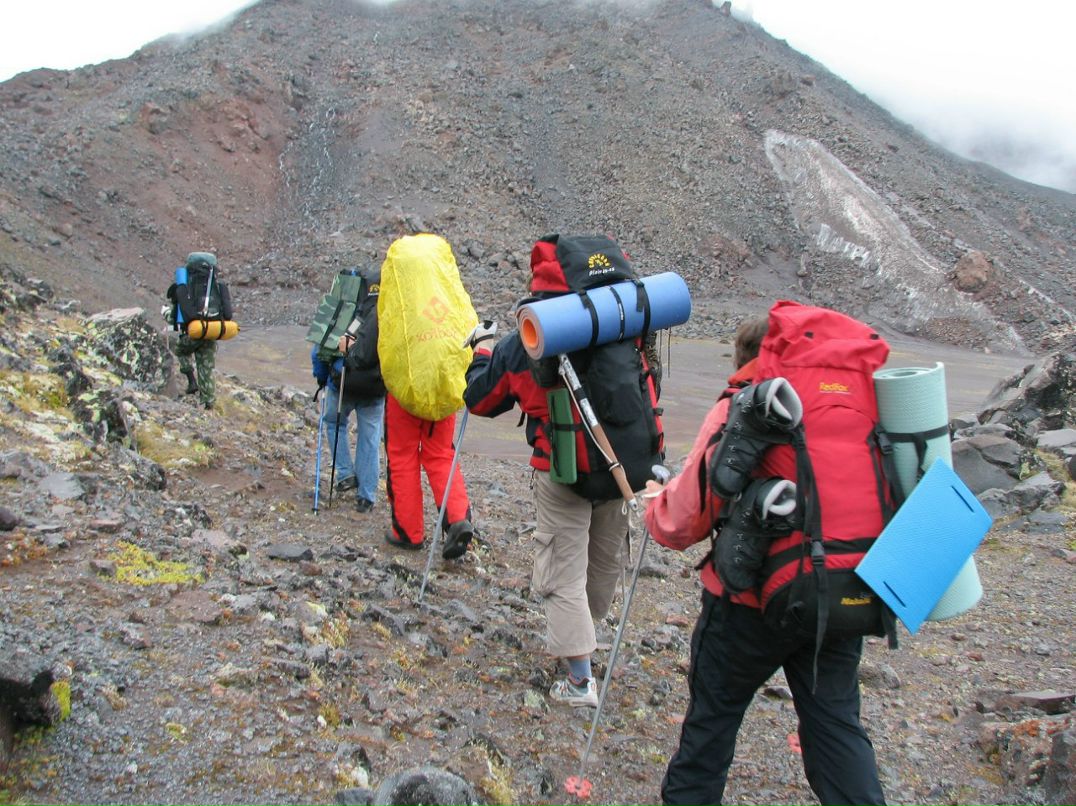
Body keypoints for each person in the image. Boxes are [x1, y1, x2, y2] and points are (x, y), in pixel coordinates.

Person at [642, 315, 888, 806]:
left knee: (712, 724)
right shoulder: (862, 408)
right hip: (843, 593)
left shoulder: (746, 405)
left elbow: (683, 520)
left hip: (747, 603)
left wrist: (656, 505)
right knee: (836, 724)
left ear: (745, 357)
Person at [462, 309, 637, 709]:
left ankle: (579, 679)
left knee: (563, 566)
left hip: (563, 469)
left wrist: (483, 350)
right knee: (604, 558)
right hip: (621, 463)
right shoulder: (620, 323)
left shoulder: (527, 337)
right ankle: (585, 635)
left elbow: (480, 399)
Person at [310, 275, 386, 512]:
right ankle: (366, 497)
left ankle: (344, 473)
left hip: (343, 383)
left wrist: (322, 378)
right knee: (370, 438)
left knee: (334, 423)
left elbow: (319, 351)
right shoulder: (393, 316)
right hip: (375, 388)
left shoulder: (349, 312)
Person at [165, 252, 232, 411]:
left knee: (179, 349)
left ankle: (190, 379)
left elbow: (175, 318)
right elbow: (228, 314)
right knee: (206, 366)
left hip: (192, 334)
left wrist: (166, 313)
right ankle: (209, 403)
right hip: (211, 333)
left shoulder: (184, 287)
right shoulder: (219, 287)